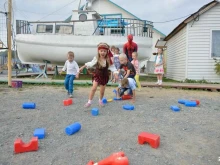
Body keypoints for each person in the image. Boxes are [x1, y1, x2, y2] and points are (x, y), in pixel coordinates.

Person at [79, 43, 112, 108]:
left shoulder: (108, 59)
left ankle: (100, 100)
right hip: (97, 75)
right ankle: (89, 102)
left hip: (104, 76)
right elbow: (90, 64)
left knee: (102, 91)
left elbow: (112, 67)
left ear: (106, 52)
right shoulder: (96, 58)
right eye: (101, 51)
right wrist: (82, 67)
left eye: (104, 51)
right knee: (94, 88)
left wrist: (116, 73)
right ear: (99, 51)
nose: (103, 52)